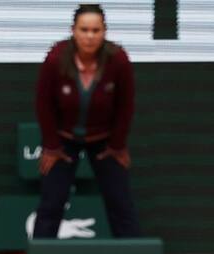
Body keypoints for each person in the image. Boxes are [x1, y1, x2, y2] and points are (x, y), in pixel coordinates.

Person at [32, 3, 142, 239]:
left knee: (121, 204)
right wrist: (51, 146)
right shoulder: (55, 59)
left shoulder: (118, 60)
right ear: (73, 31)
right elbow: (44, 104)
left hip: (105, 142)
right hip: (63, 142)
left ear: (104, 32)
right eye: (84, 30)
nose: (90, 36)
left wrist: (117, 145)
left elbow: (126, 105)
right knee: (51, 204)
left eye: (96, 30)